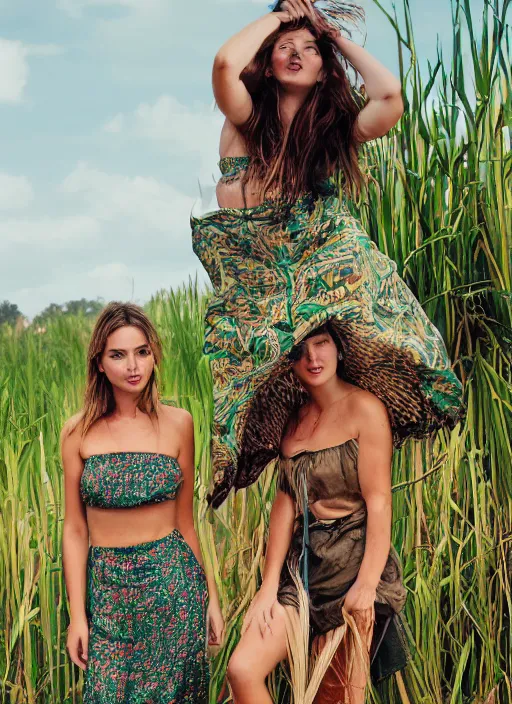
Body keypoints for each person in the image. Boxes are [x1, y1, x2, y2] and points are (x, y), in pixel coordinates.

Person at [190, 0, 464, 698]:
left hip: (313, 264)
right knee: (246, 385)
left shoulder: (331, 128)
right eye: (284, 43)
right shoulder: (248, 117)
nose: (295, 51)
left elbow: (392, 99)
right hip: (258, 271)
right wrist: (282, 15)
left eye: (308, 48)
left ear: (325, 66)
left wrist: (334, 36)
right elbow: (224, 63)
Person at [227, 323, 408, 703]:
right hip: (305, 569)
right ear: (288, 362)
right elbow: (286, 505)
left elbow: (379, 503)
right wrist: (267, 586)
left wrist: (367, 585)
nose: (313, 358)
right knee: (242, 670)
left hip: (353, 565)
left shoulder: (365, 409)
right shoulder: (292, 422)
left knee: (336, 697)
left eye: (321, 344)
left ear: (338, 348)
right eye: (301, 349)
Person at [61, 302, 224, 703]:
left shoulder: (179, 423)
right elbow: (75, 529)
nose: (133, 365)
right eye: (118, 355)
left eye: (142, 352)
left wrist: (212, 600)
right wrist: (77, 616)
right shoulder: (77, 432)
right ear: (99, 363)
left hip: (173, 589)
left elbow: (186, 525)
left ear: (153, 355)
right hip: (108, 594)